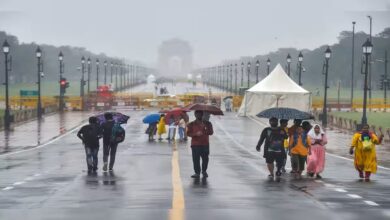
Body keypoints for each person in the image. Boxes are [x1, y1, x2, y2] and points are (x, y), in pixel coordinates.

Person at [187, 110, 214, 178]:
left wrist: (206, 128)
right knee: (195, 159)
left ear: (202, 115)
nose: (198, 115)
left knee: (205, 159)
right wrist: (196, 134)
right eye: (197, 114)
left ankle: (204, 171)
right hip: (195, 145)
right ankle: (197, 173)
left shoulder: (208, 123)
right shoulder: (191, 124)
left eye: (200, 114)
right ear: (195, 115)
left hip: (205, 144)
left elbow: (211, 132)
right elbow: (188, 133)